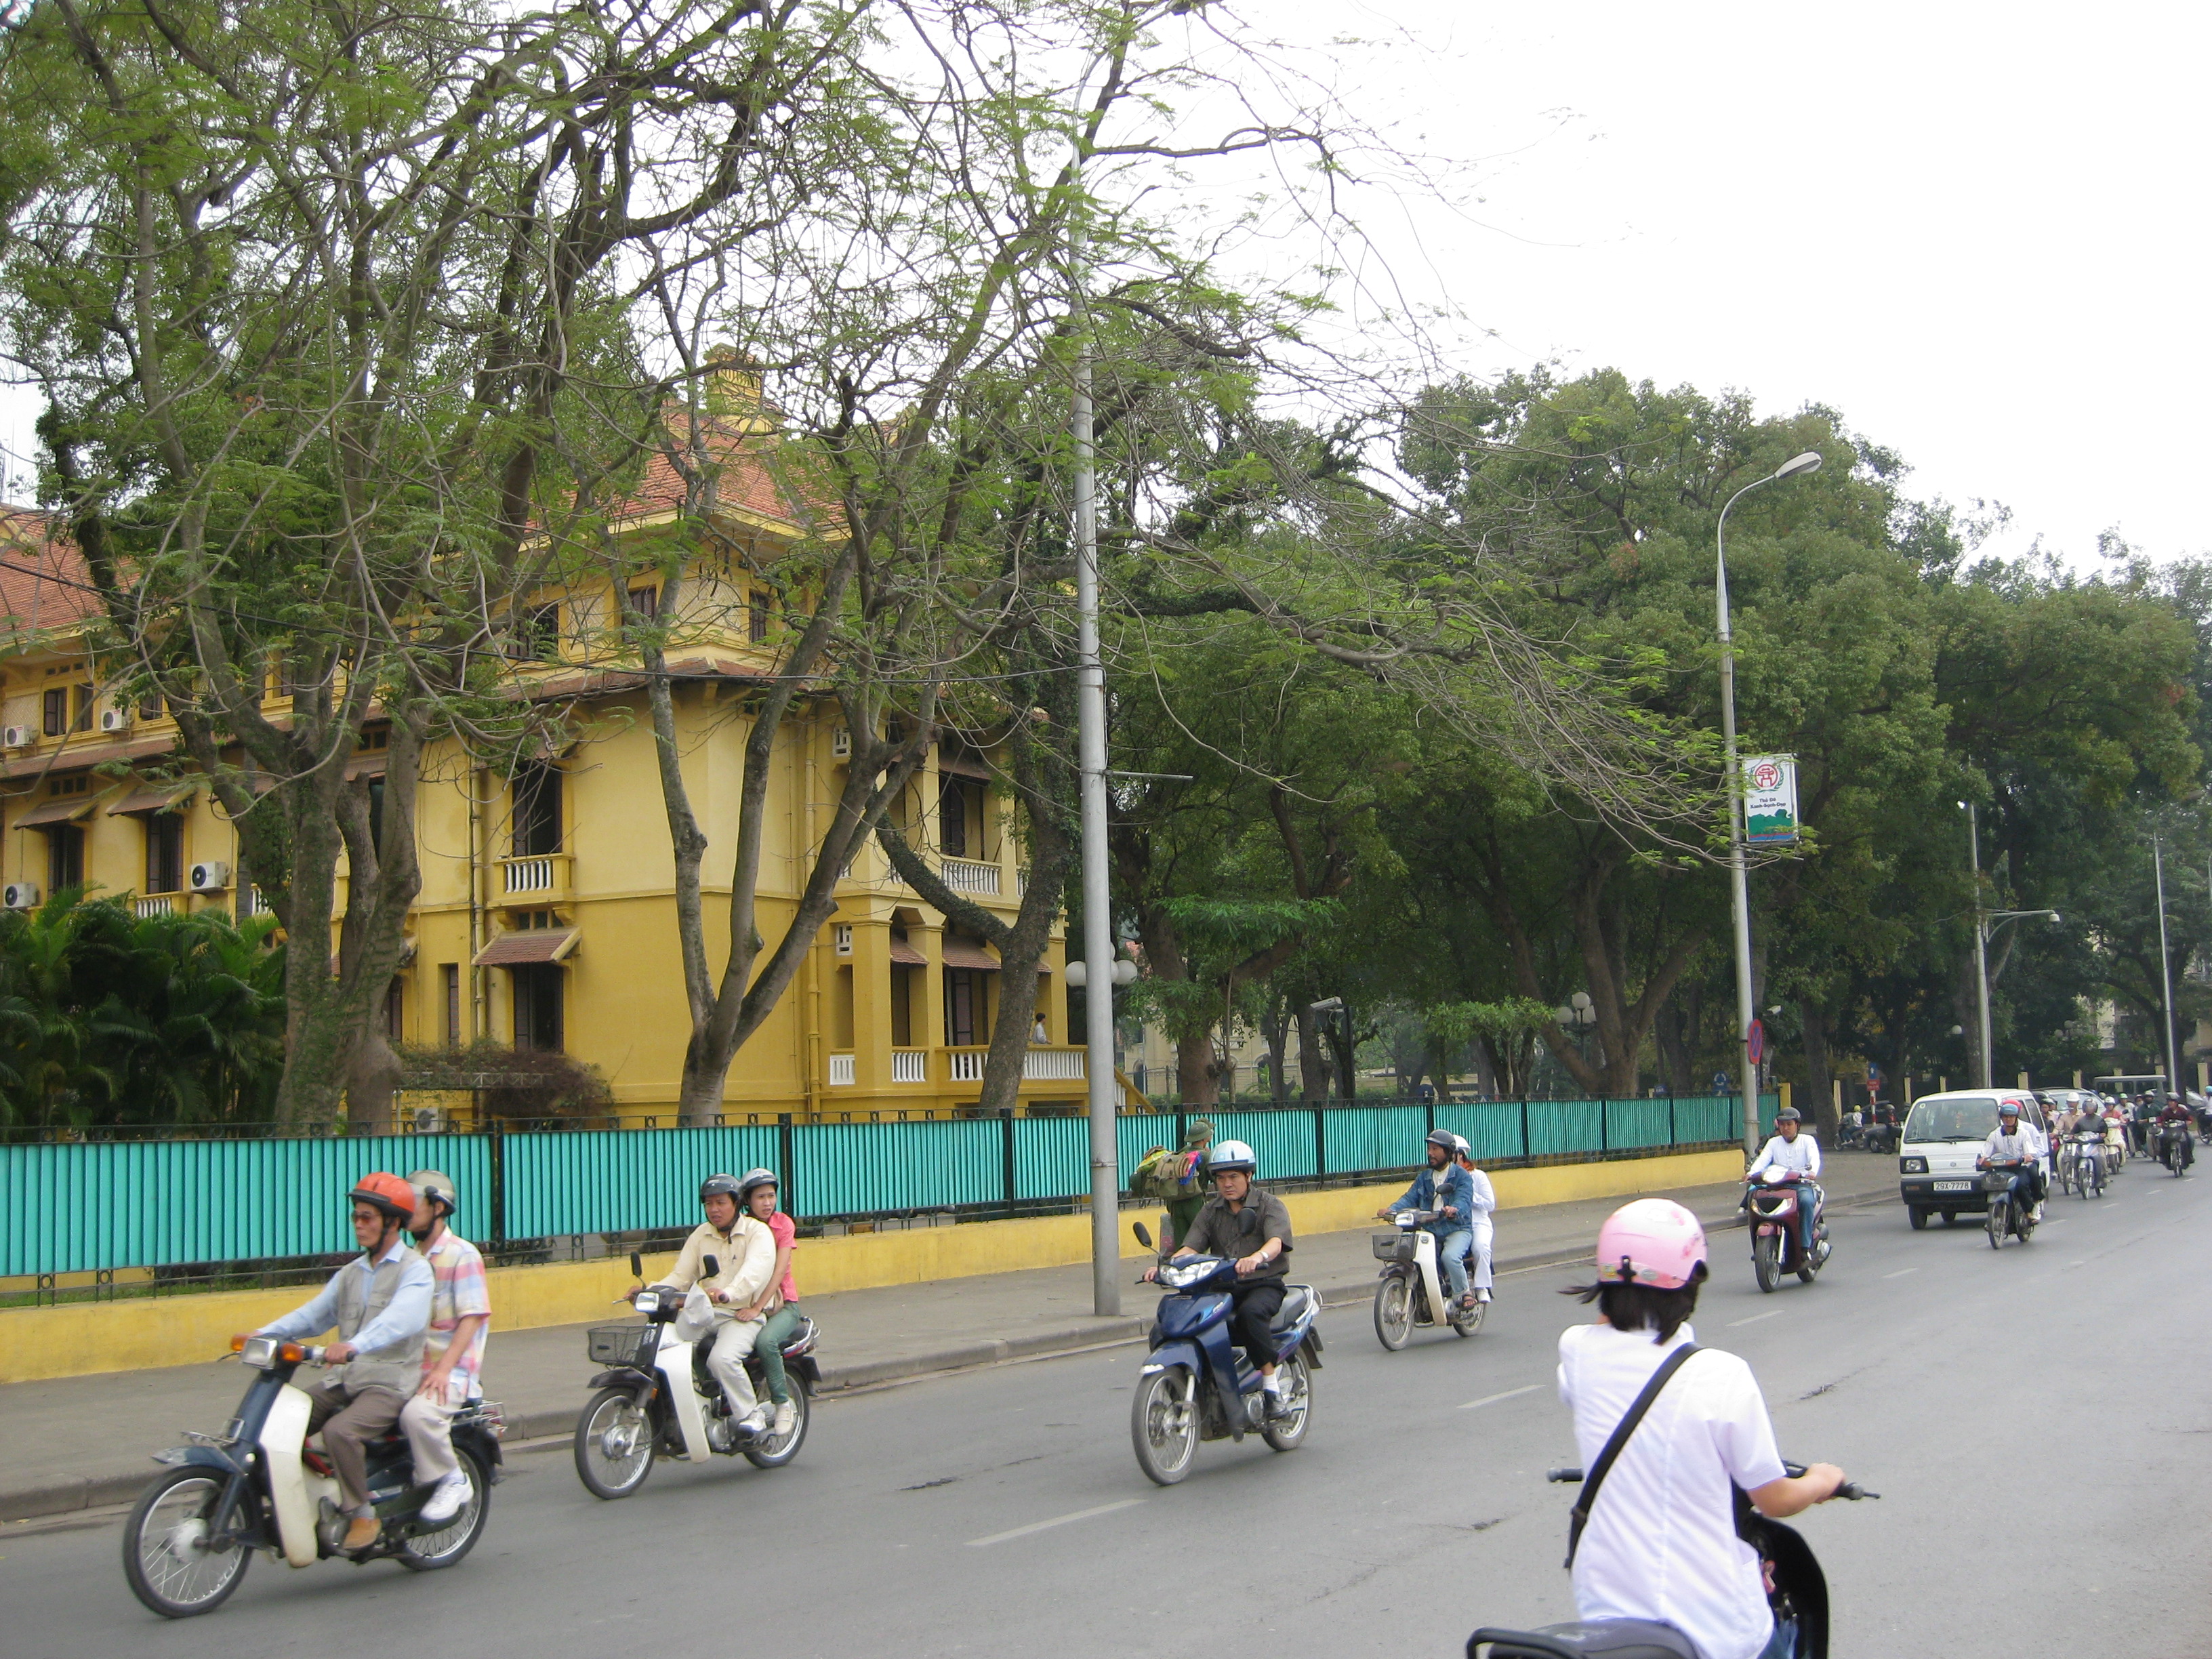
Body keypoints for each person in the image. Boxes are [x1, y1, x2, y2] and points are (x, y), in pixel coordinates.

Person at [1556, 1199, 1847, 1659]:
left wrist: (1621, 1281)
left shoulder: (1577, 1353)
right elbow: (1775, 1499)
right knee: (1784, 1640)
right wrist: (1820, 1481)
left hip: (1608, 1622)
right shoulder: (1721, 1374)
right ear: (1690, 1286)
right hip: (1715, 1632)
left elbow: (1604, 1332)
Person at [248, 1172, 432, 1551]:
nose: (359, 1225)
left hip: (389, 1383)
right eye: (356, 1217)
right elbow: (314, 1315)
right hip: (346, 1379)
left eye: (367, 1217)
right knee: (279, 1421)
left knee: (339, 1432)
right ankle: (312, 1493)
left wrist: (354, 1345)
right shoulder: (352, 1273)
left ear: (392, 1222)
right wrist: (263, 1334)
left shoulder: (415, 1270)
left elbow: (401, 1320)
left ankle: (362, 1513)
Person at [1147, 1140, 1295, 1417]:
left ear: (1249, 1176)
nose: (1227, 1184)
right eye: (1221, 1178)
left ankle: (1272, 1390)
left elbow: (1276, 1241)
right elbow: (1191, 1246)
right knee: (1174, 1322)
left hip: (1263, 1284)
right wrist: (1166, 1267)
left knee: (1251, 1315)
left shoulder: (1269, 1205)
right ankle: (1186, 1381)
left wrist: (1257, 1257)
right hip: (1221, 1286)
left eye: (1233, 1177)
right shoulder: (1210, 1210)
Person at [640, 1174, 777, 1435]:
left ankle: (752, 1414)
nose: (714, 1209)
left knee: (722, 1359)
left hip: (742, 1315)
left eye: (721, 1203)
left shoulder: (757, 1232)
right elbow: (681, 1276)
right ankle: (687, 1411)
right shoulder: (701, 1235)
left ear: (736, 1203)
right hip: (706, 1313)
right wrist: (650, 1290)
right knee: (667, 1348)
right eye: (709, 1204)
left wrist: (728, 1293)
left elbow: (754, 1273)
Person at [396, 1168, 490, 1525]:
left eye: (414, 1203)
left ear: (437, 1207)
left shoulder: (462, 1255)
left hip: (451, 1374)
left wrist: (442, 1370)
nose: (406, 1211)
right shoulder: (409, 1258)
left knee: (417, 1415)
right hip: (409, 1370)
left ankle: (453, 1479)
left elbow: (472, 1318)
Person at [731, 1168, 802, 1437]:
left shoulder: (783, 1224)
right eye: (760, 1197)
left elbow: (778, 1271)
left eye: (771, 1196)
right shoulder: (740, 1227)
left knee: (765, 1342)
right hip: (745, 1303)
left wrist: (757, 1308)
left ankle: (782, 1403)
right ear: (747, 1200)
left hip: (782, 1305)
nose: (767, 1203)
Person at [1378, 1129, 1478, 1308]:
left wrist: (1454, 1209)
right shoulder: (1424, 1177)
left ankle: (1464, 1293)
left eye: (1435, 1149)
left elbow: (1464, 1199)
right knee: (1410, 1255)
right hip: (1430, 1229)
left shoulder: (1461, 1176)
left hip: (1456, 1229)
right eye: (1429, 1148)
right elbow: (1409, 1198)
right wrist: (1391, 1210)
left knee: (1450, 1257)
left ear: (1448, 1152)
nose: (1430, 1153)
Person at [1744, 1107, 1823, 1261]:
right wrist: (1751, 1173)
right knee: (1754, 1197)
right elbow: (1763, 1160)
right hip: (1777, 1185)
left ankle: (1805, 1246)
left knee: (1806, 1201)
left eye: (1789, 1124)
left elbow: (1814, 1158)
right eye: (1782, 1124)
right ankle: (1758, 1247)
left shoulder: (1807, 1141)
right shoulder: (1773, 1142)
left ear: (1797, 1125)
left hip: (1801, 1184)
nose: (1786, 1128)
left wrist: (1812, 1172)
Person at [1452, 1133, 1499, 1304]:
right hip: (1453, 1225)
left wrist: (1468, 1195)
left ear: (1460, 1155)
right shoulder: (1443, 1177)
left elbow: (1490, 1204)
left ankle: (1482, 1287)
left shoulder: (1477, 1176)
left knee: (1481, 1247)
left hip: (1477, 1224)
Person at [1978, 1101, 2043, 1219]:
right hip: (2001, 1168)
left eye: (2011, 1117)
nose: (2008, 1119)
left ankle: (2029, 1212)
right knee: (1986, 1184)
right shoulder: (1994, 1134)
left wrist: (2027, 1156)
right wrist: (1983, 1158)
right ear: (2001, 1118)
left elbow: (2029, 1150)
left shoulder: (2024, 1133)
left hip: (2019, 1167)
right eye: (2006, 1117)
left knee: (2020, 1185)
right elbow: (1986, 1150)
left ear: (2016, 1118)